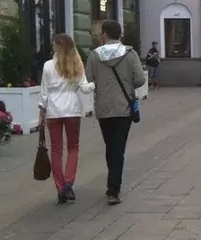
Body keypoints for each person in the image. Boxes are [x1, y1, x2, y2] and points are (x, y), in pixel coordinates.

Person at [86, 21, 146, 205]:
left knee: (110, 146)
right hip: (124, 108)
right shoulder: (130, 54)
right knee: (118, 148)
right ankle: (114, 189)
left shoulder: (94, 56)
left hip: (104, 108)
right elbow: (140, 79)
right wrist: (128, 86)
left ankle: (112, 184)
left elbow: (89, 79)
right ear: (120, 34)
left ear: (105, 34)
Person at [38, 33, 95, 204]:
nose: (52, 47)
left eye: (54, 44)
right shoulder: (75, 63)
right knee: (73, 147)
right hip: (72, 109)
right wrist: (95, 83)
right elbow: (85, 89)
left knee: (56, 149)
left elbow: (44, 91)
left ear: (58, 46)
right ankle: (69, 182)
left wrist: (41, 110)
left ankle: (60, 186)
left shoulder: (48, 65)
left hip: (53, 110)